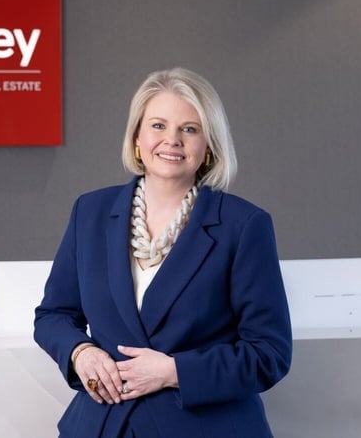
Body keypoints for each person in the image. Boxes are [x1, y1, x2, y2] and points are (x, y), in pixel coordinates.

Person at [34, 67, 292, 438]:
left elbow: (270, 352)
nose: (171, 140)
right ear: (137, 136)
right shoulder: (89, 212)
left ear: (209, 146)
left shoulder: (244, 224)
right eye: (158, 126)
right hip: (104, 425)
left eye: (189, 129)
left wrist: (174, 372)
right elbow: (53, 315)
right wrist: (81, 353)